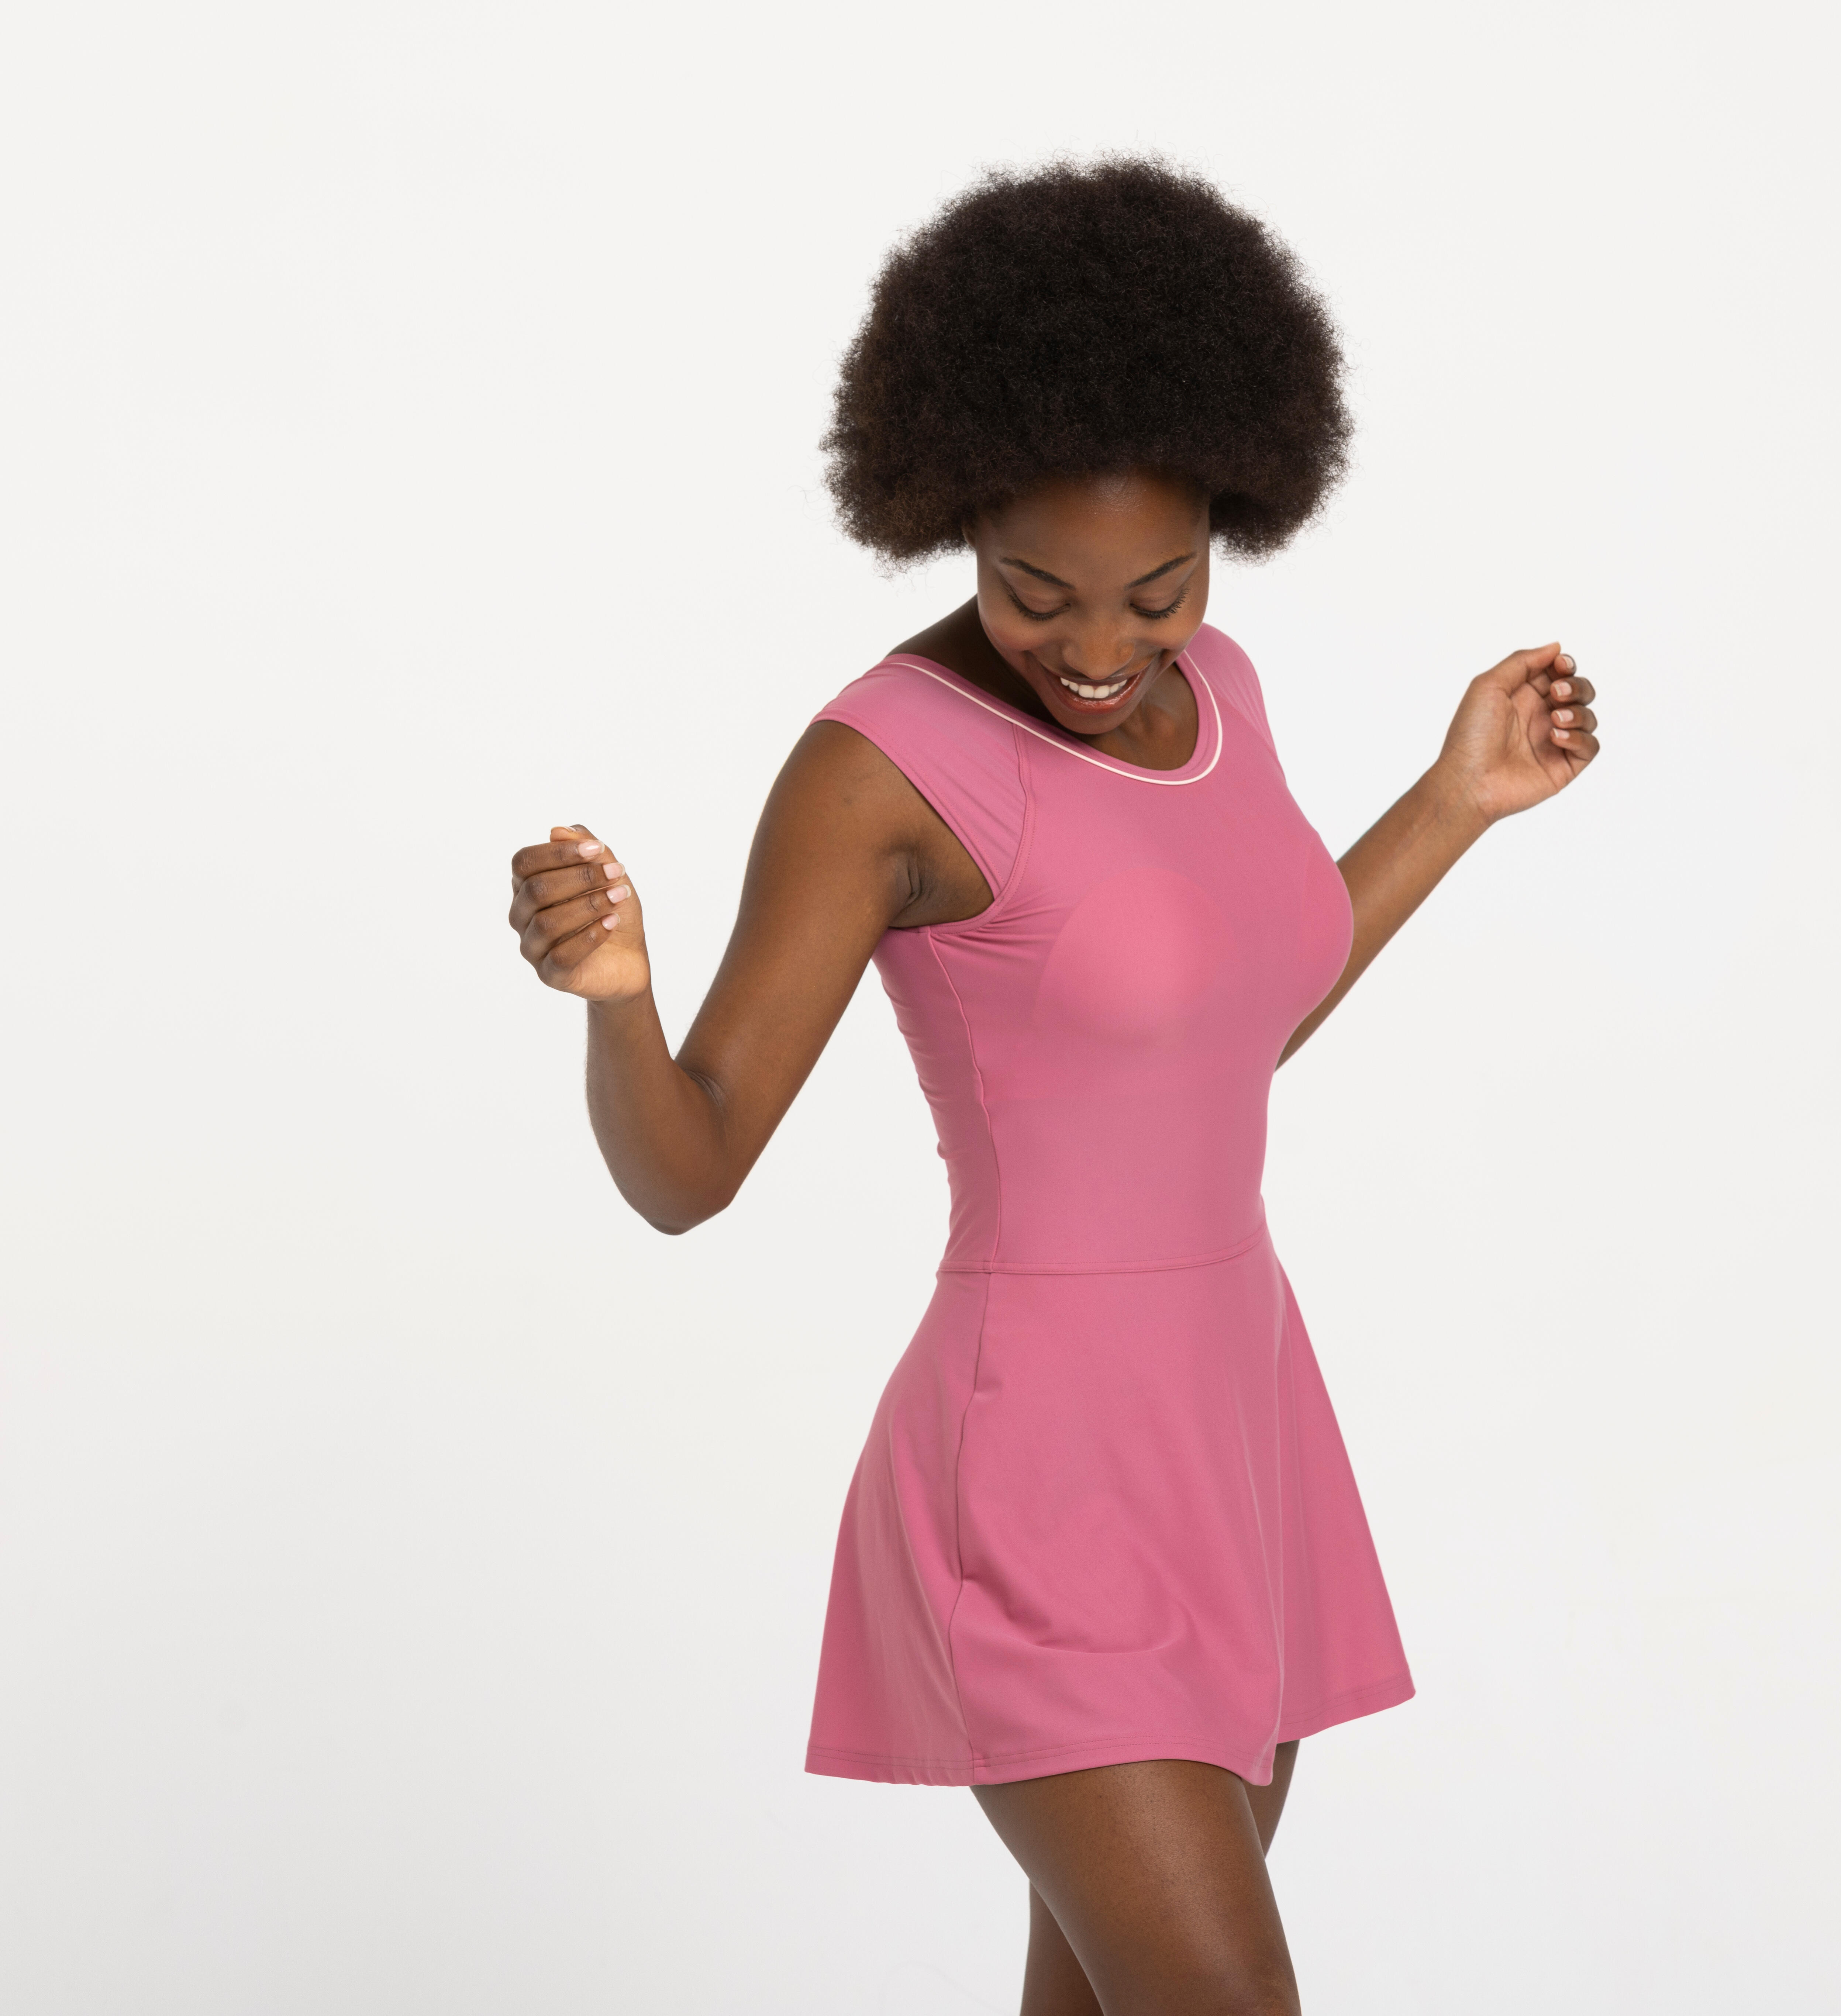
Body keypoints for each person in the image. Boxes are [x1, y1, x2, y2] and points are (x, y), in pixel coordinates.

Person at [507, 159, 1598, 2016]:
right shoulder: (880, 771)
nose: (1098, 651)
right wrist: (616, 1001)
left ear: (1228, 519)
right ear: (954, 512)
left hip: (1236, 1418)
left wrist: (1453, 802)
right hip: (1041, 1465)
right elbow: (689, 1168)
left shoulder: (1224, 689)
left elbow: (1219, 1031)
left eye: (1154, 593)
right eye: (1036, 595)